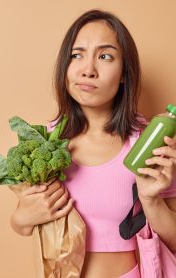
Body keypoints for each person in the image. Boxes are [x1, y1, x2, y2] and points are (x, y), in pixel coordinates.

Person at [10, 9, 176, 278]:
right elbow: (24, 223)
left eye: (105, 56)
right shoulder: (45, 142)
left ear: (124, 73)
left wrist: (151, 200)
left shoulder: (147, 141)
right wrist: (21, 219)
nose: (88, 70)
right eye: (77, 55)